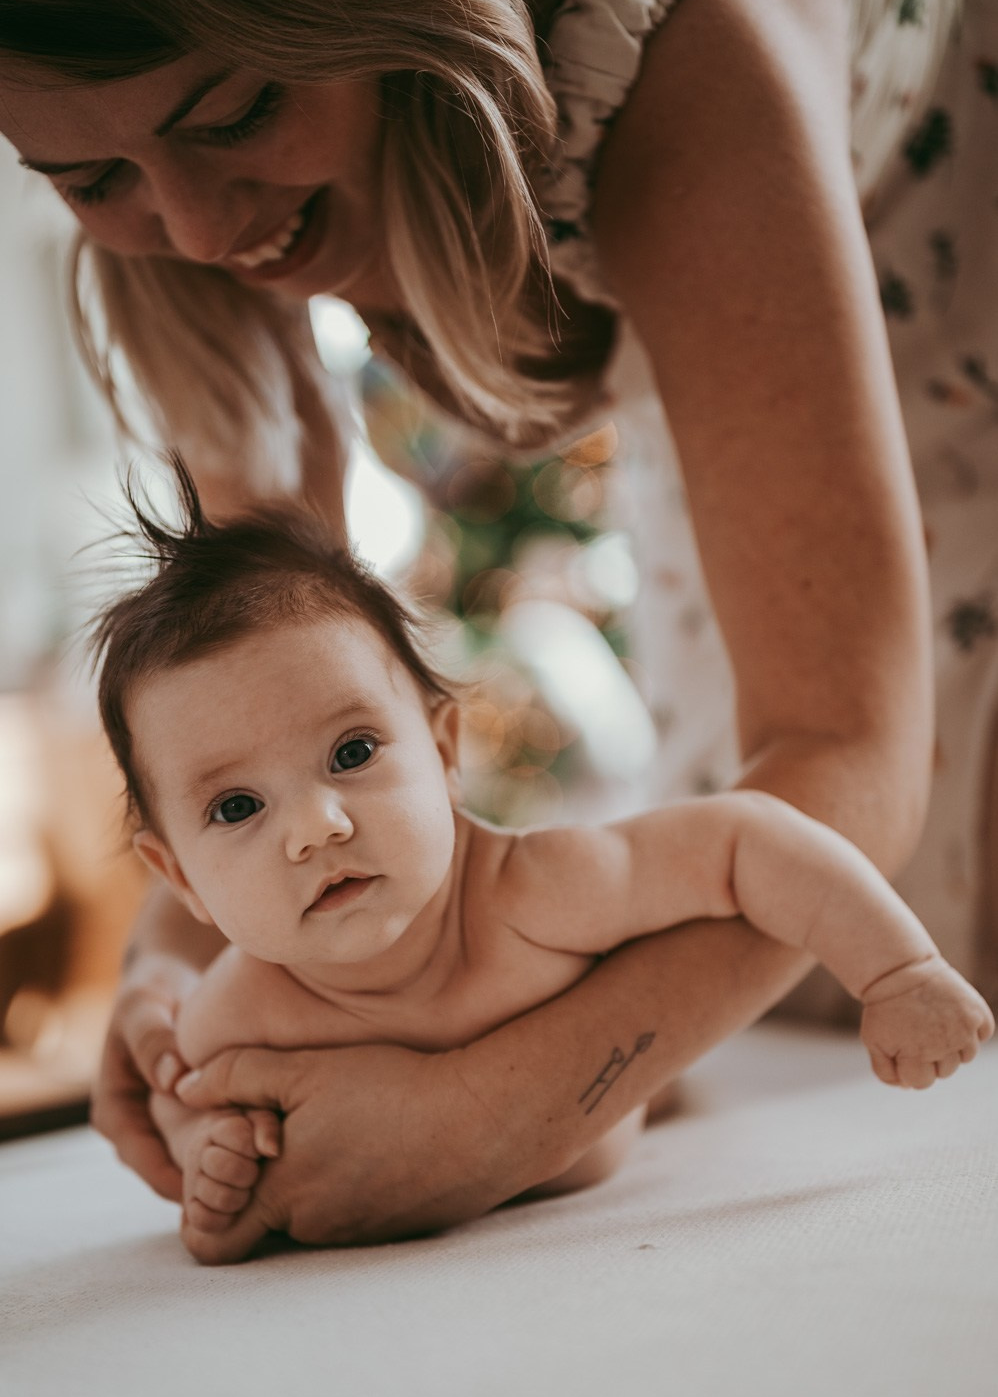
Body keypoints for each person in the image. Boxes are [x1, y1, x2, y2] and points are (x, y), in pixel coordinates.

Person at [0, 0, 995, 1257]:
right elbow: (248, 695)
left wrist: (494, 1112)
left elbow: (842, 752)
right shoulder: (175, 221)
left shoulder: (677, 38)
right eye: (86, 176)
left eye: (236, 115)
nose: (193, 225)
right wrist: (161, 982)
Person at [91, 471, 992, 1262]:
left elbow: (743, 840)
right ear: (180, 880)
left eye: (352, 752)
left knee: (672, 1083)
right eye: (237, 807)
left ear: (446, 752)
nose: (316, 828)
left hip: (629, 1108)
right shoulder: (238, 1017)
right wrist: (207, 1151)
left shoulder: (534, 889)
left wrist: (898, 971)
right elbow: (184, 1101)